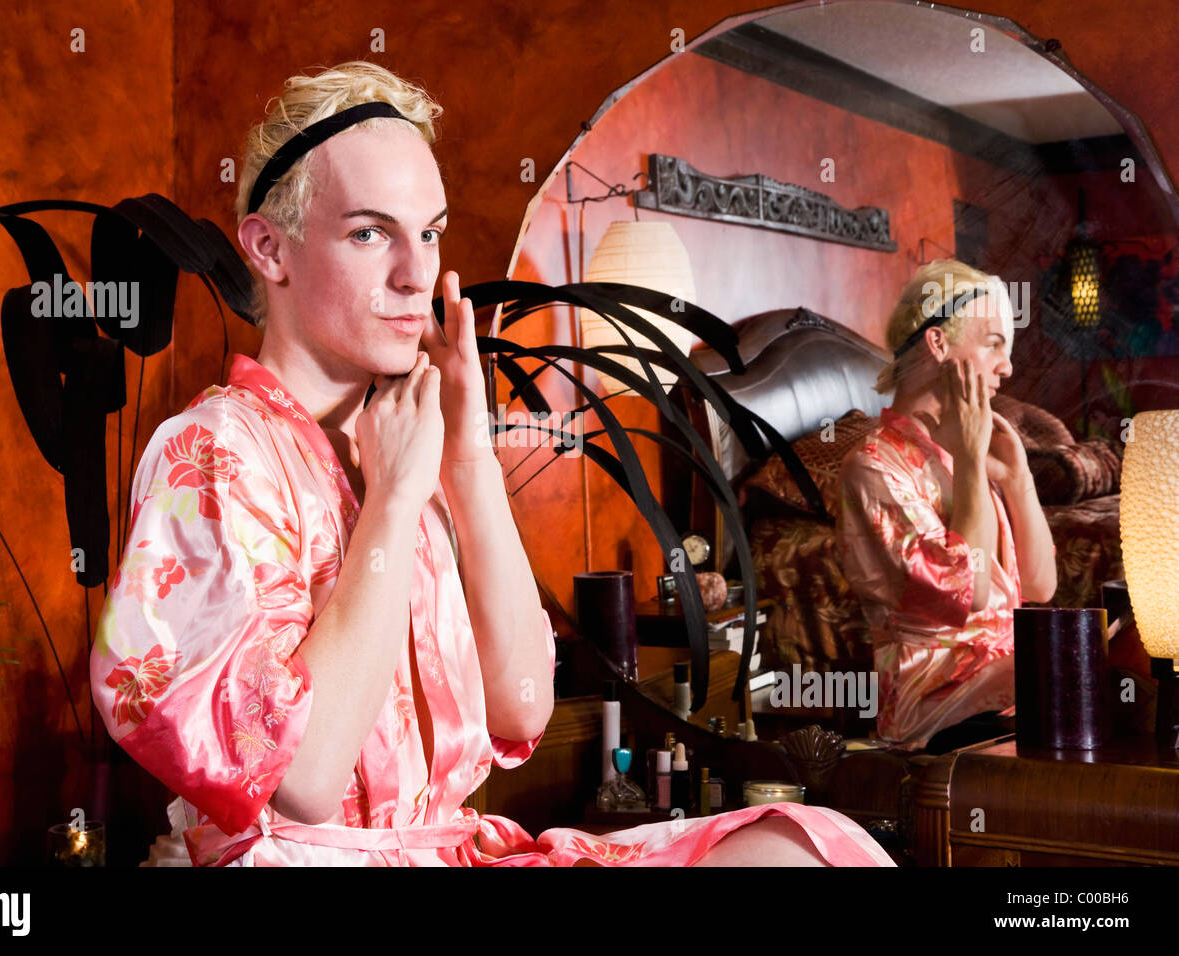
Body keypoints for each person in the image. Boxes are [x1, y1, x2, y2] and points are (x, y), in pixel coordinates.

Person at [90, 61, 893, 866]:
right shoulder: (214, 453)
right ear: (269, 248)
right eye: (370, 233)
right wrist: (394, 503)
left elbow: (521, 706)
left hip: (450, 851)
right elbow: (303, 772)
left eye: (430, 232)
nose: (415, 275)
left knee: (798, 848)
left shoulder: (411, 440)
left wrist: (467, 459)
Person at [837, 260, 1058, 753]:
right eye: (994, 343)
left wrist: (1019, 478)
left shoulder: (961, 452)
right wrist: (973, 461)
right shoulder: (873, 467)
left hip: (1000, 693)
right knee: (1081, 690)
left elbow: (1041, 587)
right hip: (935, 709)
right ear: (938, 344)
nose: (1008, 367)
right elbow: (971, 592)